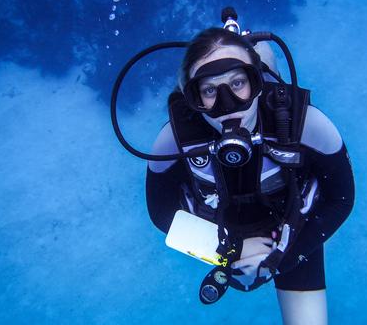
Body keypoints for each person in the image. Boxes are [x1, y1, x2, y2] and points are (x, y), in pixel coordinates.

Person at [145, 27, 355, 324]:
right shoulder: (173, 140)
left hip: (292, 229)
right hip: (222, 232)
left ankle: (261, 57)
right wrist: (231, 250)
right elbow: (160, 212)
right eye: (209, 90)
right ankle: (243, 45)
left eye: (239, 82)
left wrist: (279, 260)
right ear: (191, 97)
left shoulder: (307, 124)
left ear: (256, 81)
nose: (227, 105)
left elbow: (341, 200)